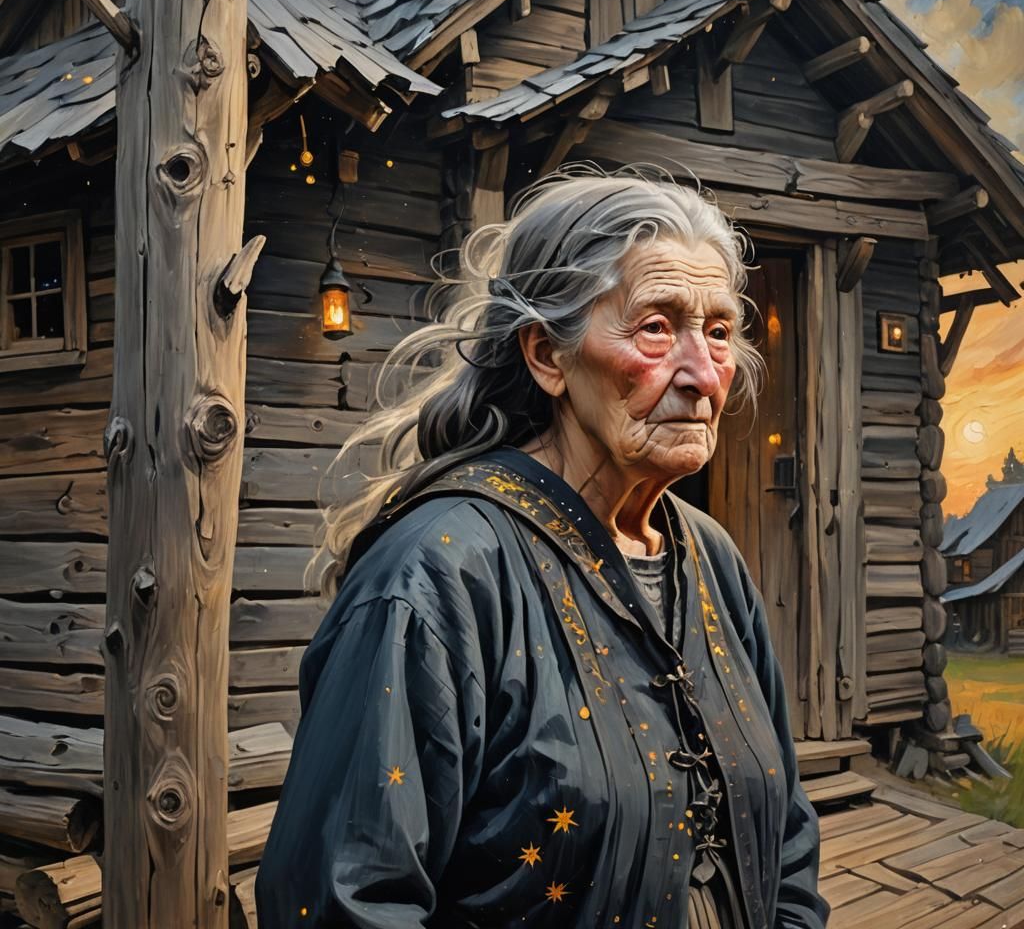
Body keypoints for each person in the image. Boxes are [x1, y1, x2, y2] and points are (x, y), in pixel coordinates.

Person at [256, 164, 828, 929]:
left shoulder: (712, 558)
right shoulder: (439, 572)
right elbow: (342, 902)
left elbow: (786, 836)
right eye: (656, 327)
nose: (702, 374)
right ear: (547, 356)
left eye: (719, 332)